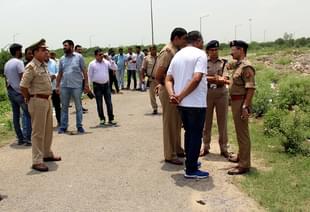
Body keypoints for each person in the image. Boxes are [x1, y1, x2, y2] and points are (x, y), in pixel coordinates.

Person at [166, 31, 209, 179]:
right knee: (196, 134)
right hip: (196, 103)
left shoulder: (178, 55)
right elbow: (197, 79)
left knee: (189, 133)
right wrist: (180, 95)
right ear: (198, 41)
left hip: (182, 104)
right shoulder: (200, 54)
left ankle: (190, 162)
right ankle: (191, 169)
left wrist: (173, 95)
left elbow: (168, 78)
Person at [20, 39, 61, 172]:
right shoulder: (31, 67)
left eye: (46, 50)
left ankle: (47, 153)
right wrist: (28, 98)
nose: (46, 52)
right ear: (35, 52)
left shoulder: (43, 65)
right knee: (38, 132)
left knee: (48, 129)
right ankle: (37, 160)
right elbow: (23, 86)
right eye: (43, 50)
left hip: (47, 100)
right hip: (37, 101)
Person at [154, 27, 187, 165]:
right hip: (169, 92)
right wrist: (169, 88)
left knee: (176, 122)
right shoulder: (168, 52)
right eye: (184, 38)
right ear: (176, 38)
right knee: (170, 123)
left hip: (174, 92)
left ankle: (177, 149)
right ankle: (170, 154)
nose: (186, 41)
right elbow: (158, 74)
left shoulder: (176, 51)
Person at [227, 40, 256, 175]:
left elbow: (250, 88)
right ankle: (240, 156)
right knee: (239, 131)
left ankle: (244, 165)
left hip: (241, 103)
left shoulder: (246, 67)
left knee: (243, 133)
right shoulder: (238, 65)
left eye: (233, 50)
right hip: (235, 102)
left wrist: (245, 106)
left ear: (241, 50)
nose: (231, 52)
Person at [200, 40, 230, 158]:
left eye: (216, 50)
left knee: (222, 122)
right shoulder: (203, 62)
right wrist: (215, 78)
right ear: (207, 51)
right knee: (206, 122)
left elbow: (225, 78)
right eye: (212, 50)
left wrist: (214, 78)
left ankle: (224, 148)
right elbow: (201, 77)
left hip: (221, 93)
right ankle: (205, 146)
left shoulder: (223, 63)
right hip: (207, 93)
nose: (214, 52)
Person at [56, 40, 90, 134]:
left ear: (71, 46)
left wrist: (86, 84)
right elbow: (60, 73)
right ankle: (63, 127)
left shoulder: (79, 57)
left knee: (78, 107)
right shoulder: (62, 59)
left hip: (76, 86)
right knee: (64, 107)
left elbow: (84, 71)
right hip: (65, 86)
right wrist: (57, 86)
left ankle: (79, 126)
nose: (64, 47)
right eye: (63, 46)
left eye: (66, 46)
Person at [4, 43, 32, 146]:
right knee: (28, 115)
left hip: (11, 92)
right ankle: (28, 139)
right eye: (21, 50)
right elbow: (23, 79)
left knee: (16, 116)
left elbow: (6, 80)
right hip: (20, 93)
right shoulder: (19, 63)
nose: (22, 52)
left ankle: (20, 138)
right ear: (17, 51)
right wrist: (27, 94)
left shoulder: (7, 63)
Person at [88, 49, 117, 126]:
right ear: (95, 56)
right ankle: (102, 119)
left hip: (106, 85)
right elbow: (89, 76)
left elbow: (115, 68)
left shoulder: (106, 62)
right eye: (99, 55)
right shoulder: (92, 64)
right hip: (97, 86)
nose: (101, 56)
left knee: (109, 103)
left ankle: (111, 119)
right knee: (99, 103)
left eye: (102, 54)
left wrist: (110, 59)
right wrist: (88, 87)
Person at [141, 45, 158, 114]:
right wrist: (142, 78)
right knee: (152, 94)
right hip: (151, 79)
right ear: (150, 50)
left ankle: (164, 107)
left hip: (159, 79)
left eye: (154, 49)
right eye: (152, 49)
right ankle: (155, 108)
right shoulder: (146, 58)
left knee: (162, 94)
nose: (153, 50)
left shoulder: (159, 56)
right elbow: (143, 69)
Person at [46, 50, 61, 126]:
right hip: (45, 89)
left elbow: (58, 71)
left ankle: (60, 121)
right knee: (47, 108)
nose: (47, 55)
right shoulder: (41, 63)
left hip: (54, 87)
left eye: (47, 53)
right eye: (45, 53)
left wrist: (54, 75)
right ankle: (48, 124)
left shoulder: (53, 62)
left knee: (57, 105)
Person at [75, 44, 88, 113]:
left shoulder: (81, 57)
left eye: (80, 49)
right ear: (75, 50)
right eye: (78, 50)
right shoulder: (74, 58)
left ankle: (80, 107)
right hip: (76, 79)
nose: (80, 51)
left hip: (81, 77)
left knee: (80, 94)